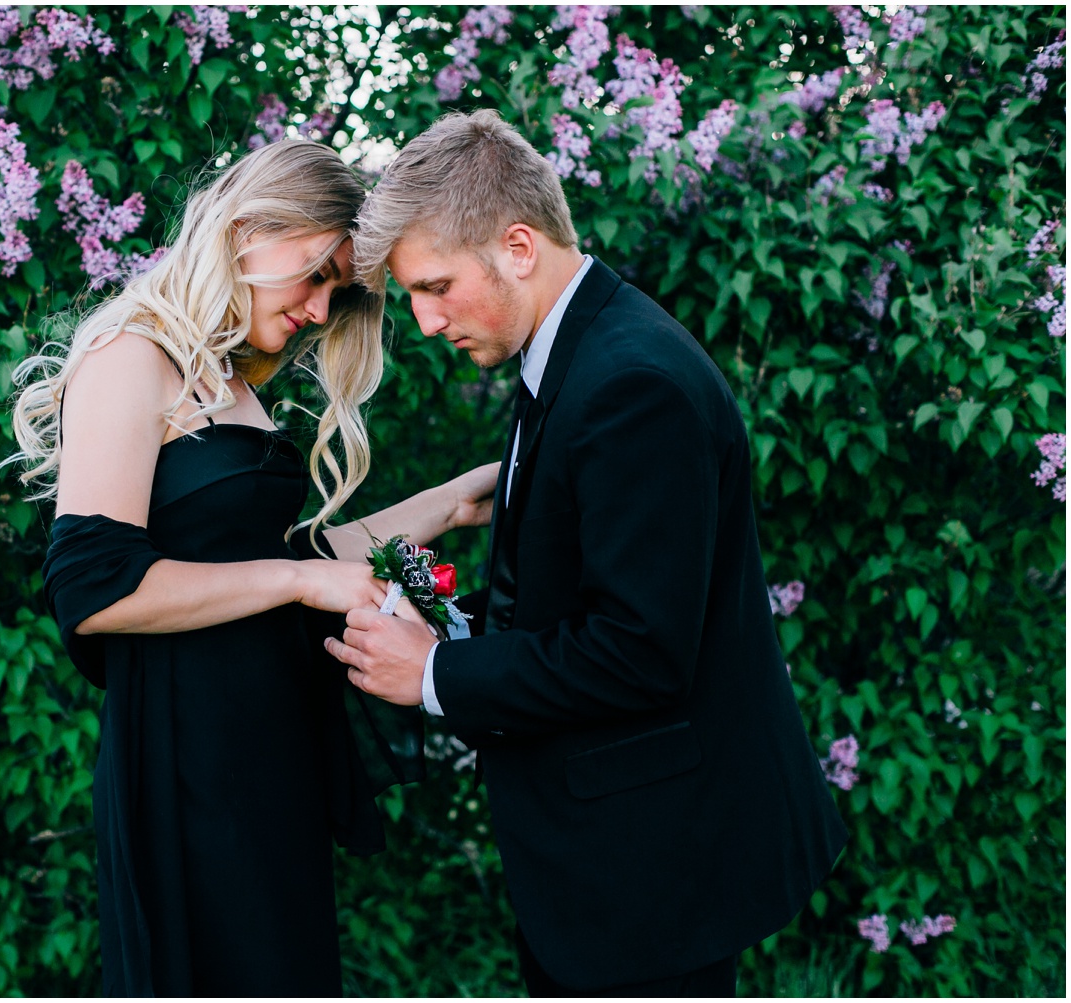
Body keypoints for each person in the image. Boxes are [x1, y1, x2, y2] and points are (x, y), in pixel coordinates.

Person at [326, 110, 848, 997]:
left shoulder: (631, 385)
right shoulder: (571, 351)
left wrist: (437, 674)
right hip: (607, 860)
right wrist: (445, 620)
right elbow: (569, 595)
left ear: (518, 246)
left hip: (649, 872)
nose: (422, 321)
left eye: (436, 285)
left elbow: (638, 651)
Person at [6, 139, 496, 997]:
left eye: (336, 292)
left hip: (267, 757)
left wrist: (450, 501)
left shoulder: (231, 380)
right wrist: (302, 582)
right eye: (315, 275)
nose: (318, 310)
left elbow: (284, 560)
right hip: (189, 766)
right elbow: (92, 587)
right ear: (247, 231)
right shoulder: (132, 356)